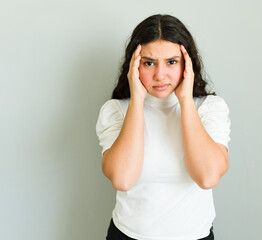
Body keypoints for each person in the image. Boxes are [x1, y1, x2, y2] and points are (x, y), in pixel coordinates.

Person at [96, 14, 231, 240]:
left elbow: (207, 177)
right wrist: (137, 101)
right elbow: (123, 179)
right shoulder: (116, 111)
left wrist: (186, 101)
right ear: (134, 65)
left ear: (187, 63)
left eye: (171, 62)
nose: (160, 75)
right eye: (149, 63)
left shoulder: (210, 108)